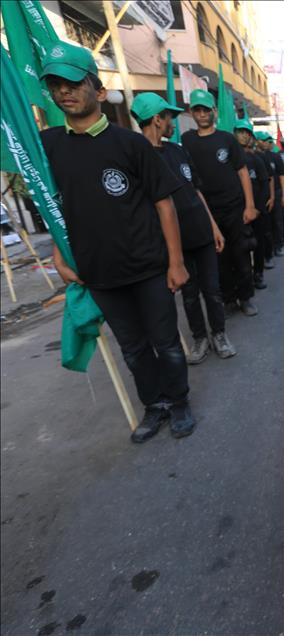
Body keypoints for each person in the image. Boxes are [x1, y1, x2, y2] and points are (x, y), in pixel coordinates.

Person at [40, 42, 196, 441]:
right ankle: (155, 405)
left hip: (147, 266)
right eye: (56, 85)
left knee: (167, 343)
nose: (64, 92)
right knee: (133, 349)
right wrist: (60, 256)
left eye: (73, 83)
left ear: (98, 88)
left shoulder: (130, 144)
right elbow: (57, 208)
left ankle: (179, 401)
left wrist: (175, 262)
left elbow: (165, 204)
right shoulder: (49, 146)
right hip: (99, 273)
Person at [131, 93, 236, 365]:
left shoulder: (177, 151)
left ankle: (220, 334)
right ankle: (200, 337)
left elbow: (196, 192)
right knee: (189, 295)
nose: (174, 122)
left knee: (212, 289)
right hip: (173, 242)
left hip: (201, 234)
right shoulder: (135, 156)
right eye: (170, 117)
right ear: (157, 119)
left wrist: (213, 227)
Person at [181, 89, 259, 316]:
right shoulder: (186, 140)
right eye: (198, 110)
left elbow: (243, 172)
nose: (202, 114)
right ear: (191, 112)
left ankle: (246, 297)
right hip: (207, 212)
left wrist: (250, 205)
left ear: (214, 111)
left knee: (241, 253)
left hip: (235, 208)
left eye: (206, 109)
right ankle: (228, 298)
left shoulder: (227, 139)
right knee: (218, 258)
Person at [234, 119, 272, 290]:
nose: (243, 136)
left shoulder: (256, 160)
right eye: (240, 132)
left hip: (257, 211)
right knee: (239, 248)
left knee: (258, 243)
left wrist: (258, 208)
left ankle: (258, 274)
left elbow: (265, 184)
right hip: (236, 212)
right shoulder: (231, 159)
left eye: (246, 133)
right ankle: (243, 278)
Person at [255, 131, 284, 257]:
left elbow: (281, 175)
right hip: (261, 196)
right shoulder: (254, 157)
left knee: (277, 220)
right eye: (265, 140)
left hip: (276, 193)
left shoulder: (275, 157)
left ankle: (278, 244)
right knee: (265, 224)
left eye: (269, 141)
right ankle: (266, 249)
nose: (268, 143)